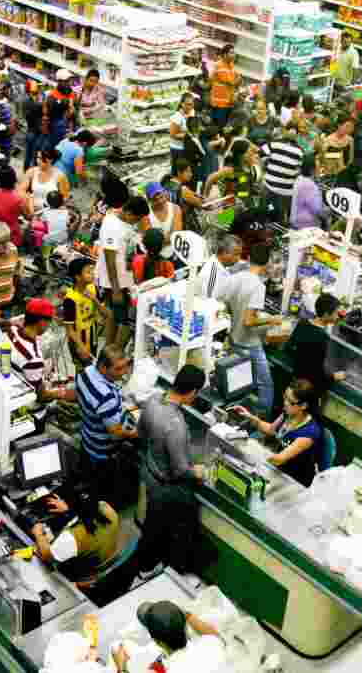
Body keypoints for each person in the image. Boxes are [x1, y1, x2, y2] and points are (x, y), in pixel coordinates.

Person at [136, 364, 208, 575]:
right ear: (193, 392)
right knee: (160, 529)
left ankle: (148, 563)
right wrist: (198, 472)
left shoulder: (152, 400)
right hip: (165, 486)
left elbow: (141, 433)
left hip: (149, 472)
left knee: (153, 524)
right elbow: (180, 470)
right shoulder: (176, 424)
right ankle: (150, 568)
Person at [222, 244, 281, 416]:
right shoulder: (258, 287)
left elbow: (226, 305)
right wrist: (271, 320)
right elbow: (249, 321)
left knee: (237, 380)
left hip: (233, 338)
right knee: (266, 384)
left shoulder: (236, 277)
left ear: (248, 259)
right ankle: (261, 419)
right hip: (249, 343)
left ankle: (234, 410)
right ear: (267, 263)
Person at [75, 345, 138, 505]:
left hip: (87, 438)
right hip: (103, 451)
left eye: (125, 366)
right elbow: (115, 432)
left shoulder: (85, 373)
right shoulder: (106, 397)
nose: (124, 372)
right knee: (104, 494)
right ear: (103, 367)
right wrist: (138, 433)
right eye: (118, 369)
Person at [232, 379, 323, 486]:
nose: (285, 403)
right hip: (279, 469)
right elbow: (271, 429)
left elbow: (279, 459)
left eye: (290, 401)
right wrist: (249, 416)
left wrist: (253, 451)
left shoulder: (308, 433)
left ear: (303, 406)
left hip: (293, 481)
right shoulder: (288, 413)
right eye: (285, 397)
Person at [112, 601, 223, 673]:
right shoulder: (211, 644)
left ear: (157, 642)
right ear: (185, 625)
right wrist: (185, 615)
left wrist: (121, 667)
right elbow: (214, 636)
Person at [8, 298, 71, 425]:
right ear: (42, 322)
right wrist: (60, 393)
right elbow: (41, 396)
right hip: (25, 410)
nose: (49, 325)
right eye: (49, 321)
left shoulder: (11, 330)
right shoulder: (33, 358)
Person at [97, 196, 147, 348]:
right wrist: (116, 290)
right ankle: (112, 351)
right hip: (114, 283)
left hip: (124, 280)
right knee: (120, 320)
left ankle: (109, 349)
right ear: (129, 213)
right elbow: (109, 260)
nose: (137, 222)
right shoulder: (112, 226)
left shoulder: (124, 221)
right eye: (136, 219)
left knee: (116, 317)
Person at [284, 292, 346, 400]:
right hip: (307, 389)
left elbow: (288, 348)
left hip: (295, 380)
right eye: (336, 313)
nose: (338, 316)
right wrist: (334, 377)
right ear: (326, 314)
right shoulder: (322, 337)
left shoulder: (303, 323)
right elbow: (316, 374)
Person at [61, 258, 104, 370]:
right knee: (82, 370)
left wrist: (94, 299)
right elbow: (69, 330)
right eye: (88, 272)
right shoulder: (70, 299)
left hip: (92, 336)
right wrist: (81, 346)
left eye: (92, 271)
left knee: (91, 367)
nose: (92, 274)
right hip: (78, 340)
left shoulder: (92, 288)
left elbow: (103, 313)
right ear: (78, 277)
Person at [259, 124, 305, 220]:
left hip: (273, 188)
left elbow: (261, 153)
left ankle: (266, 222)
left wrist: (266, 166)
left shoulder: (274, 144)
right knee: (276, 215)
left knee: (266, 212)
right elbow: (301, 170)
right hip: (281, 191)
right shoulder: (300, 151)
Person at [0, 165, 31, 247]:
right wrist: (29, 200)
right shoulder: (18, 198)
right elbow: (28, 216)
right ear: (14, 179)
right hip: (11, 238)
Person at [21, 148, 70, 214]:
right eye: (37, 158)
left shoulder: (60, 176)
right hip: (31, 209)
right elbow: (21, 190)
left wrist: (53, 207)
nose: (38, 161)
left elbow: (65, 197)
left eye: (41, 158)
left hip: (50, 212)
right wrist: (28, 201)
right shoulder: (31, 171)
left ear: (50, 160)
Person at [144, 182, 183, 260]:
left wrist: (159, 240)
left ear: (165, 193)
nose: (160, 201)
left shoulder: (175, 208)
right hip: (156, 258)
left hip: (176, 254)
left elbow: (176, 235)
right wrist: (169, 236)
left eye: (161, 197)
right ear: (149, 200)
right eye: (155, 199)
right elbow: (151, 243)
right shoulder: (146, 215)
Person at [196, 234, 241, 301]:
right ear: (225, 252)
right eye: (236, 254)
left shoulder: (223, 267)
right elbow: (208, 302)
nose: (238, 259)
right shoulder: (211, 272)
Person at [289, 156, 328, 230]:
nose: (320, 170)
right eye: (318, 168)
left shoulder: (299, 179)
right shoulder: (309, 185)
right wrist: (328, 211)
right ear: (312, 171)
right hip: (306, 228)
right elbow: (318, 210)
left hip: (297, 224)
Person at [168, 93, 197, 168]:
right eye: (188, 104)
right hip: (178, 150)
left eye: (192, 104)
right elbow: (172, 135)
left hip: (188, 148)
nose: (190, 106)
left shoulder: (192, 112)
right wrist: (188, 135)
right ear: (182, 104)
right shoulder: (177, 117)